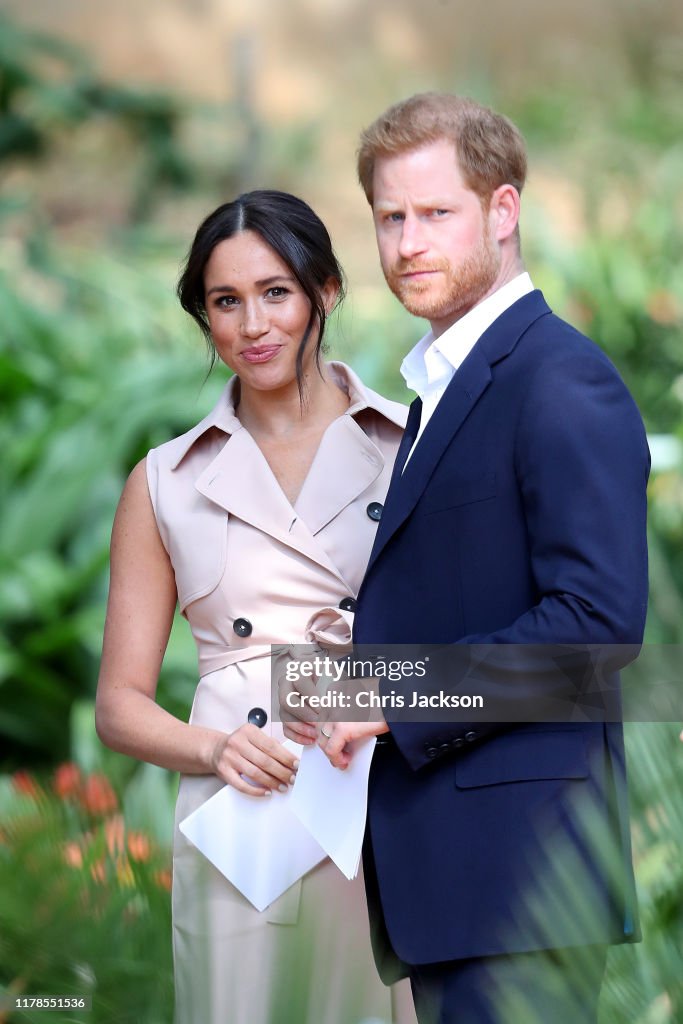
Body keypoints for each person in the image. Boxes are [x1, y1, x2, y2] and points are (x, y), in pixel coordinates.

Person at [305, 94, 650, 1023]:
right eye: (389, 217)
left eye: (434, 214)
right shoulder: (440, 386)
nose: (407, 242)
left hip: (521, 880)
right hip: (458, 881)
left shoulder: (559, 378)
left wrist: (394, 695)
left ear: (502, 213)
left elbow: (594, 629)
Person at [95, 189, 417, 1024]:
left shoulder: (408, 448)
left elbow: (472, 644)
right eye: (224, 301)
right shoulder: (166, 479)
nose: (252, 325)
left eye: (275, 292)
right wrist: (214, 749)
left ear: (327, 291)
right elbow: (118, 706)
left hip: (378, 795)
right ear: (203, 317)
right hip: (243, 820)